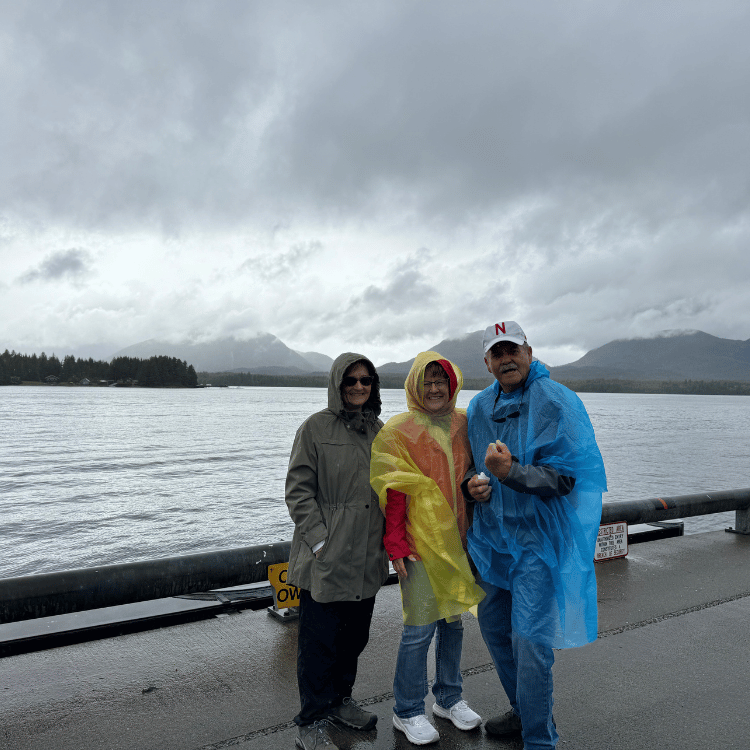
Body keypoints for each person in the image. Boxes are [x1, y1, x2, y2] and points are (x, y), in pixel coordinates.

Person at [464, 321, 607, 750]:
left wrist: (513, 474)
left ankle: (540, 739)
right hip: (492, 541)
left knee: (530, 642)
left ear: (529, 351)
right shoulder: (478, 408)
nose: (506, 358)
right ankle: (524, 710)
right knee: (494, 630)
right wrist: (471, 485)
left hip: (537, 545)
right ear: (487, 362)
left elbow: (570, 478)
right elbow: (471, 467)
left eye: (513, 350)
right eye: (497, 352)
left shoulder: (557, 401)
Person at [371, 352, 485, 746]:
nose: (435, 388)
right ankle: (406, 710)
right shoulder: (398, 430)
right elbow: (394, 492)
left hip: (458, 543)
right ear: (415, 387)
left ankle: (449, 698)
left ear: (453, 384)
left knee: (453, 624)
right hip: (419, 547)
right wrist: (397, 544)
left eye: (442, 380)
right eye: (427, 381)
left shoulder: (464, 423)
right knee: (419, 629)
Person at [286, 353, 390, 750]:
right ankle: (310, 720)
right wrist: (319, 542)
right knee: (318, 643)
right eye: (351, 381)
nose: (359, 387)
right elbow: (298, 492)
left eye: (366, 380)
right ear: (337, 385)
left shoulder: (380, 431)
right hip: (325, 559)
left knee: (353, 638)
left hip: (366, 557)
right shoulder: (314, 428)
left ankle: (341, 701)